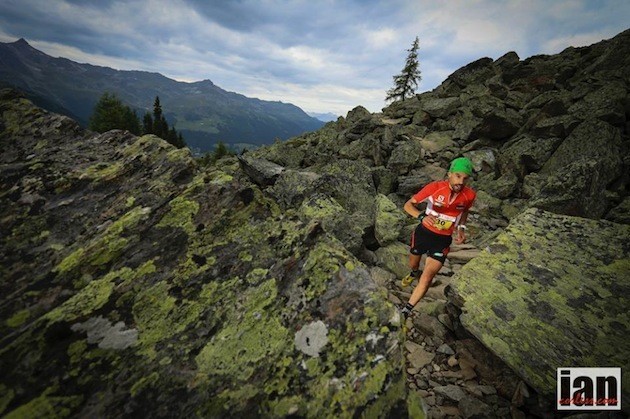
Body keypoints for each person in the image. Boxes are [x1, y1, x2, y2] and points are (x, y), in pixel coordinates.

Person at [400, 157, 476, 318]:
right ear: (449, 174)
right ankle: (413, 272)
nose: (461, 181)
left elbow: (465, 212)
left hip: (442, 240)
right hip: (423, 233)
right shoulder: (434, 188)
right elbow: (408, 205)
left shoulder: (469, 195)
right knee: (413, 263)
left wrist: (461, 228)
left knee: (427, 277)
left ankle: (406, 310)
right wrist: (421, 217)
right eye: (457, 175)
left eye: (465, 178)